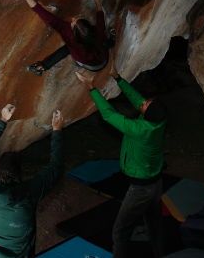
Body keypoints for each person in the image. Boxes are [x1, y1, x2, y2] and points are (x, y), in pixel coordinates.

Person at [76, 59, 167, 258]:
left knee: (120, 231)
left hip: (141, 188)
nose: (143, 102)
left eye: (146, 104)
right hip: (156, 182)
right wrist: (118, 78)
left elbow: (109, 115)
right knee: (153, 223)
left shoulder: (139, 130)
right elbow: (138, 101)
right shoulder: (158, 120)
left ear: (147, 113)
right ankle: (160, 253)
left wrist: (91, 88)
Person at [0, 103, 64, 258]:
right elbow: (55, 167)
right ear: (19, 174)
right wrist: (57, 130)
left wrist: (2, 120)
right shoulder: (28, 193)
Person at [11, 0, 113, 75]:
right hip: (103, 58)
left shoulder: (69, 36)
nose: (73, 19)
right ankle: (111, 40)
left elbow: (48, 17)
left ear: (74, 33)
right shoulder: (97, 33)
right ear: (90, 28)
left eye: (73, 23)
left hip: (89, 65)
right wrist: (99, 4)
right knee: (105, 39)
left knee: (67, 48)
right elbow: (100, 21)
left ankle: (42, 67)